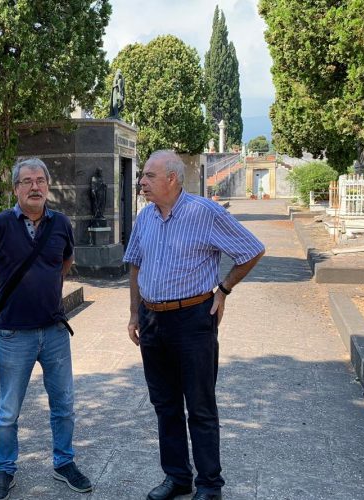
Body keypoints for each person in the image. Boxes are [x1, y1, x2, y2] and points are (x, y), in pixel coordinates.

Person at [124, 150, 265, 500]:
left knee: (200, 406)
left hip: (192, 320)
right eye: (142, 176)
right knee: (165, 404)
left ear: (172, 178)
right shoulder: (145, 217)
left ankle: (209, 485)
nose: (142, 182)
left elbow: (252, 249)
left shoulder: (205, 212)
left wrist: (225, 288)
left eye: (148, 176)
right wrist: (133, 313)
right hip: (152, 319)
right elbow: (135, 265)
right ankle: (177, 477)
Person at [0, 157, 91, 500]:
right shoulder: (1, 224)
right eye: (27, 181)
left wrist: (50, 285)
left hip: (53, 331)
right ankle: (4, 470)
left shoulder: (61, 223)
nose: (35, 187)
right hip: (13, 333)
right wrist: (1, 290)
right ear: (15, 189)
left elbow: (66, 260)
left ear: (47, 186)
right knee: (8, 410)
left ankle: (64, 463)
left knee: (64, 403)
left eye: (40, 181)